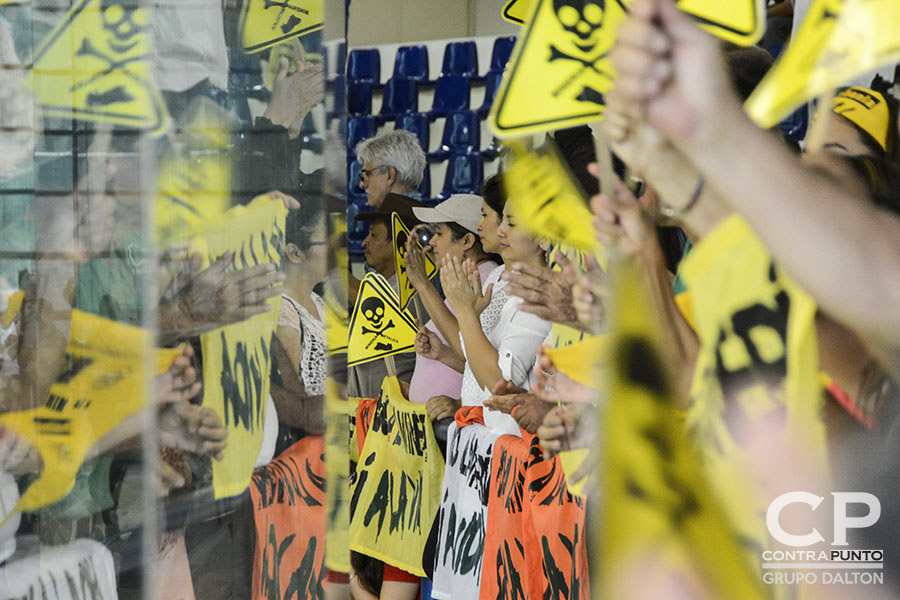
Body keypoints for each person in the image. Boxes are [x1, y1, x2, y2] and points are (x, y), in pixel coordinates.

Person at [404, 194, 500, 414]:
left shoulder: (484, 279)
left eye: (439, 233)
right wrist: (441, 354)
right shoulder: (464, 279)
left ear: (467, 241)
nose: (433, 242)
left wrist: (423, 284)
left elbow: (473, 352)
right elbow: (466, 357)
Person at [354, 130, 427, 209]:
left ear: (390, 176)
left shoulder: (394, 219)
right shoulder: (425, 217)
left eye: (367, 174)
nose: (361, 185)